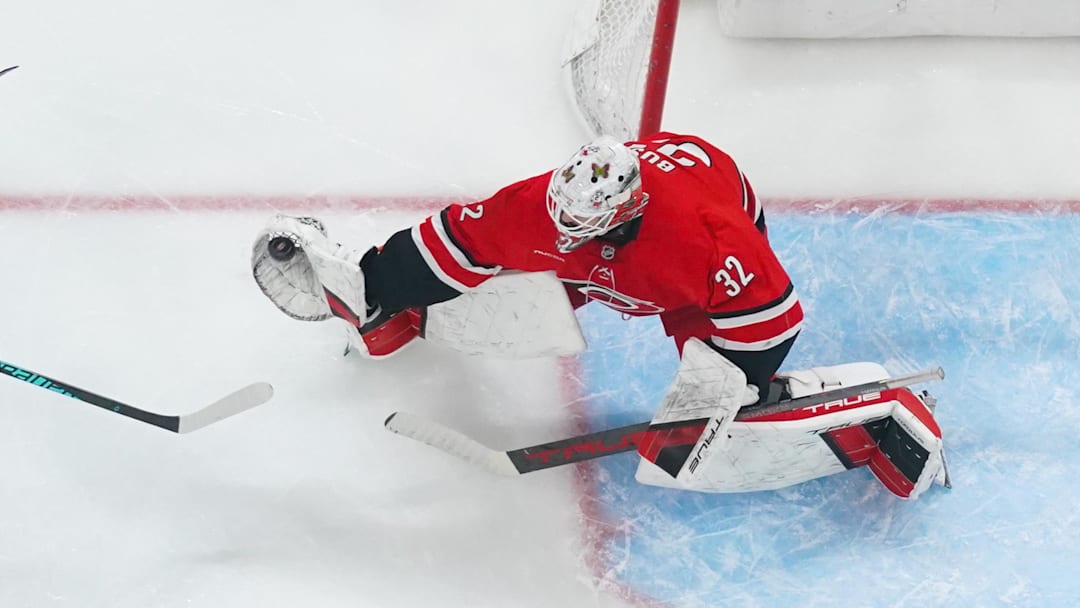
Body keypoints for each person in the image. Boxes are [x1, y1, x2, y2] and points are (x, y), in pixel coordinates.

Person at [252, 132, 803, 402]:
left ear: (626, 212)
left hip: (702, 208)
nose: (559, 230)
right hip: (624, 231)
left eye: (577, 226)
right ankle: (397, 313)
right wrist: (377, 287)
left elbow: (770, 317)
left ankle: (744, 395)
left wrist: (738, 387)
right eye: (560, 216)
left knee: (707, 349)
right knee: (511, 288)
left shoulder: (710, 241)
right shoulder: (541, 206)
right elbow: (453, 242)